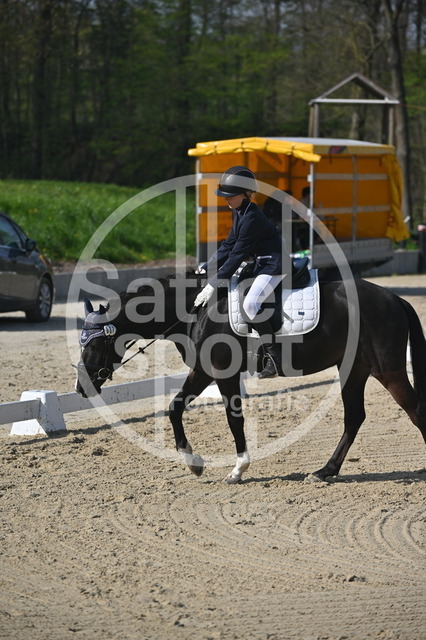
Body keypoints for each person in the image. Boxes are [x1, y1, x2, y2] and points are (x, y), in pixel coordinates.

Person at [194, 166, 288, 379]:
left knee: (251, 305)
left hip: (274, 265)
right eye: (225, 195)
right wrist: (206, 266)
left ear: (246, 194)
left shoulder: (251, 216)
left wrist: (213, 283)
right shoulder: (240, 212)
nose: (226, 199)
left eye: (231, 195)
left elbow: (237, 255)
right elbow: (228, 245)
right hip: (261, 264)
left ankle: (275, 358)